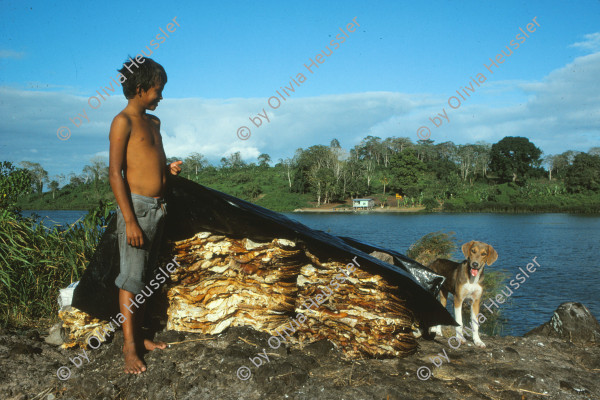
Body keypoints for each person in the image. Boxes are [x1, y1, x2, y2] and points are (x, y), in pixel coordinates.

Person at [108, 56, 182, 374]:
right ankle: (128, 348)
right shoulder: (122, 121)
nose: (161, 97)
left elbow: (150, 163)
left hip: (158, 209)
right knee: (131, 279)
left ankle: (140, 338)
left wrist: (168, 171)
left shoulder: (153, 123)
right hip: (136, 210)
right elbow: (115, 173)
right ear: (140, 89)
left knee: (146, 279)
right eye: (158, 90)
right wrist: (129, 220)